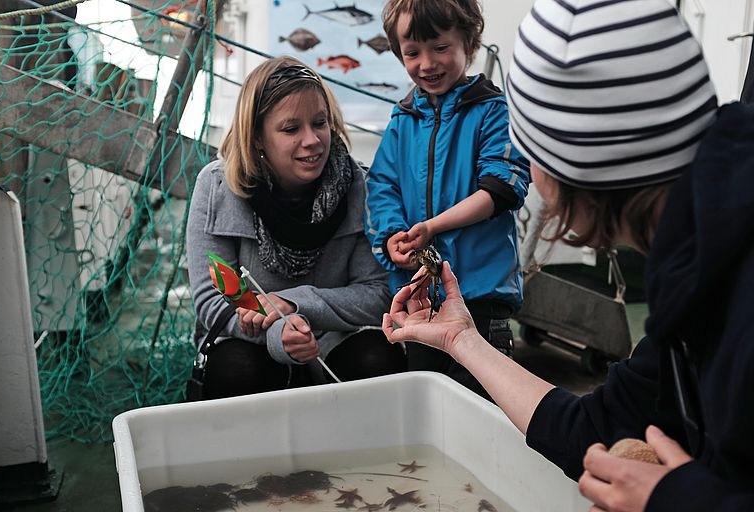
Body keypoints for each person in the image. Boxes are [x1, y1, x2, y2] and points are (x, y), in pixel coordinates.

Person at [383, 0, 754, 510]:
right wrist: (460, 338)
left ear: (569, 170)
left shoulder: (739, 309)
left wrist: (681, 500)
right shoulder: (704, 266)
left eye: (532, 152)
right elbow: (596, 429)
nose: (528, 170)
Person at [186, 56, 406, 399]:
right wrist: (279, 334)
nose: (313, 140)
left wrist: (295, 303)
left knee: (377, 359)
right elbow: (214, 297)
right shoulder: (216, 187)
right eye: (291, 129)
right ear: (257, 137)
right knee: (234, 370)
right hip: (251, 342)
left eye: (320, 123)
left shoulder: (360, 187)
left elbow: (378, 294)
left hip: (336, 337)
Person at [364, 0, 530, 400]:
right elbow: (381, 187)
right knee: (427, 409)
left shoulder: (493, 110)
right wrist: (391, 240)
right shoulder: (402, 119)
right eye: (413, 52)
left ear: (468, 41)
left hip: (481, 300)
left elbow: (501, 190)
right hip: (420, 301)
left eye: (440, 47)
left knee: (485, 409)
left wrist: (432, 227)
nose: (427, 63)